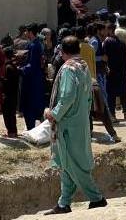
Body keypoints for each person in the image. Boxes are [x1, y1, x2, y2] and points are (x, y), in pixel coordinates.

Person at [43, 36, 107, 215]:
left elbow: (67, 96)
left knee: (72, 164)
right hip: (80, 121)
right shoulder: (83, 66)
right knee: (66, 163)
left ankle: (96, 198)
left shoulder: (69, 69)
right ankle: (64, 203)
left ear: (62, 52)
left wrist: (53, 114)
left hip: (68, 125)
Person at [21, 23, 46, 129]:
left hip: (31, 79)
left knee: (29, 105)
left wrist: (20, 70)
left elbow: (32, 64)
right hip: (37, 78)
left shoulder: (34, 45)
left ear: (30, 32)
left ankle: (31, 128)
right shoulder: (37, 44)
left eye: (26, 31)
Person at [103, 23, 126, 119]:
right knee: (123, 92)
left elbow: (105, 57)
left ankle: (112, 114)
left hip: (111, 71)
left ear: (109, 30)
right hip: (121, 71)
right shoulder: (122, 43)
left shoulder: (107, 42)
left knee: (111, 94)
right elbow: (125, 59)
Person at [2, 47, 21, 138]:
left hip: (8, 95)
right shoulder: (14, 66)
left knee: (7, 114)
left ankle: (11, 132)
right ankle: (13, 131)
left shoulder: (8, 67)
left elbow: (6, 82)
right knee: (12, 114)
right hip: (13, 95)